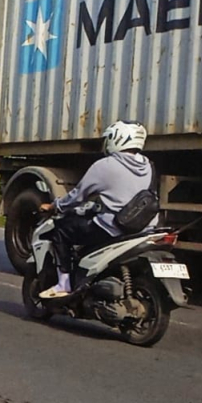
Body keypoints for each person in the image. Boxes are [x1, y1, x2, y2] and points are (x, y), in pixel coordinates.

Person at [38, 119, 156, 299]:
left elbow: (78, 195)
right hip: (146, 227)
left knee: (62, 230)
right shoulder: (149, 166)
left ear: (117, 138)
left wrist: (56, 206)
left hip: (114, 227)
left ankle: (63, 284)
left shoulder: (105, 165)